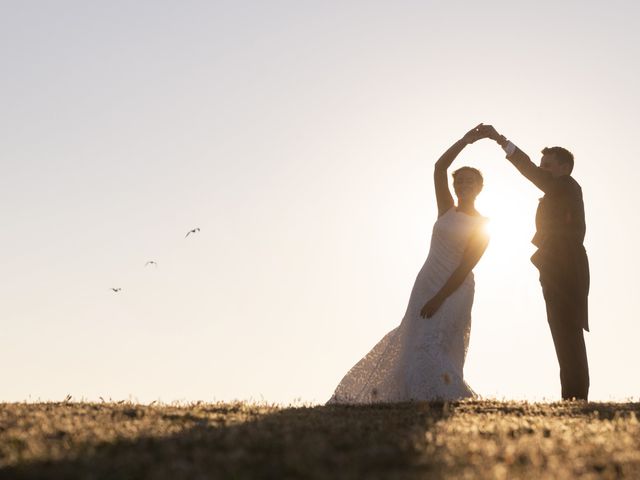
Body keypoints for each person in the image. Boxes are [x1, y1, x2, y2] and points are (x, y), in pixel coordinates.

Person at [327, 125, 489, 403]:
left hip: (455, 288)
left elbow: (465, 266)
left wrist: (439, 298)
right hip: (427, 281)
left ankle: (443, 395)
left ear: (479, 188)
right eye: (460, 181)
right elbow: (440, 167)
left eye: (470, 182)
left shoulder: (482, 225)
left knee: (434, 343)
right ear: (454, 186)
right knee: (414, 340)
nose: (463, 185)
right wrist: (465, 140)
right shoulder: (446, 209)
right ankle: (410, 397)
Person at [479, 125, 590, 401]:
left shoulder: (565, 185)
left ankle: (575, 395)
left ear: (564, 168)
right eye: (543, 166)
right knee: (563, 331)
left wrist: (501, 141)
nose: (543, 171)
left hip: (565, 268)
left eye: (548, 166)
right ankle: (573, 395)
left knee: (567, 331)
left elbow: (529, 170)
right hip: (557, 267)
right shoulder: (559, 190)